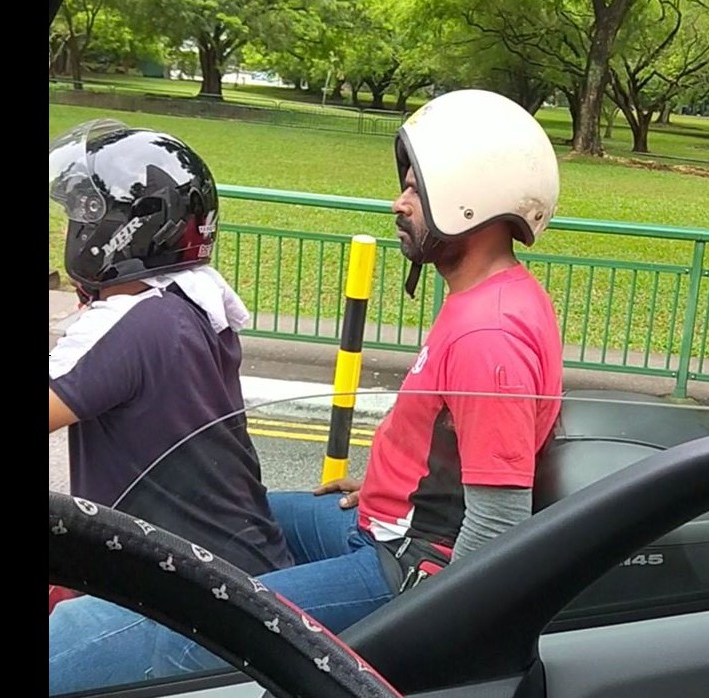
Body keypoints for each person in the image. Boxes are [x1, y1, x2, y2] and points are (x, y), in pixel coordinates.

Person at [48, 88, 564, 693]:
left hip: (408, 565)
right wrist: (392, 483)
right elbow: (455, 443)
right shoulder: (490, 300)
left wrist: (432, 625)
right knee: (214, 529)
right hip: (388, 523)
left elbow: (496, 524)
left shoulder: (489, 334)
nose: (398, 204)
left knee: (157, 629)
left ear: (468, 200)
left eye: (414, 191)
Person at [47, 119, 293, 616]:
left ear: (120, 230)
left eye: (82, 215)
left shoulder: (125, 325)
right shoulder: (192, 301)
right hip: (235, 564)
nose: (72, 229)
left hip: (180, 598)